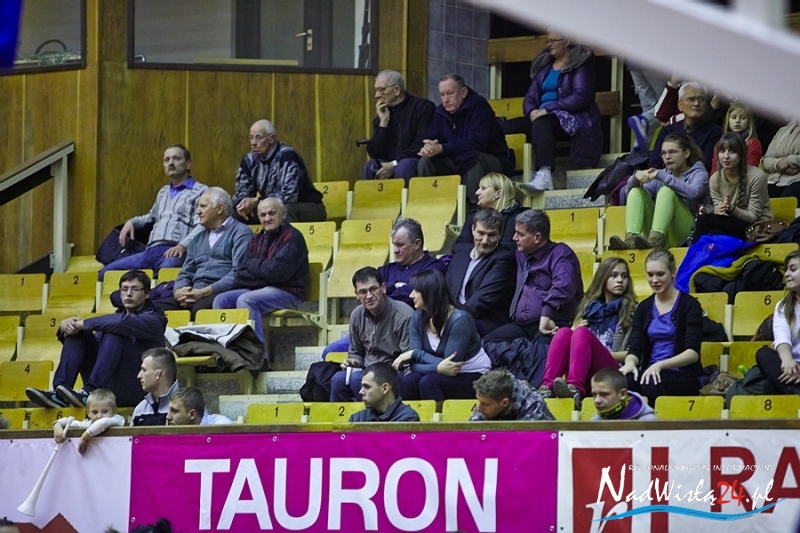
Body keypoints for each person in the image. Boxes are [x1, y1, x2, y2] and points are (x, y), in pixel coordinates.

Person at [26, 270, 167, 409]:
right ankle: (59, 393)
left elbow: (121, 323)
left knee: (113, 330)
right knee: (79, 333)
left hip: (136, 387)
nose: (128, 293)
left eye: (135, 289)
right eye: (124, 289)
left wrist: (85, 323)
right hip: (108, 384)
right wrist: (66, 328)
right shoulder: (115, 318)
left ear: (147, 294)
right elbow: (89, 350)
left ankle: (90, 391)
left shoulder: (155, 318)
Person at [321, 219, 446, 357]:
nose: (395, 250)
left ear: (417, 243)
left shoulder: (434, 268)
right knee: (328, 352)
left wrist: (388, 291)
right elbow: (374, 290)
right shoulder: (387, 269)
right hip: (372, 328)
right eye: (394, 245)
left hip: (405, 331)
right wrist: (396, 285)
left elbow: (407, 296)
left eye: (400, 245)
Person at [507, 30, 602, 192]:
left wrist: (548, 109)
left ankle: (544, 175)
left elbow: (582, 96)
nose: (549, 45)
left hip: (571, 118)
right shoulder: (544, 66)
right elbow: (530, 96)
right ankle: (499, 177)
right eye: (547, 41)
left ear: (567, 41)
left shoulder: (580, 64)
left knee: (541, 124)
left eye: (553, 41)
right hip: (542, 116)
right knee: (506, 127)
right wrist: (531, 111)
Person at [539, 258, 637, 406]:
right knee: (564, 332)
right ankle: (547, 388)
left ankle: (574, 389)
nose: (620, 280)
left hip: (614, 372)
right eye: (614, 275)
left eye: (624, 276)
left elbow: (635, 353)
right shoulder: (588, 309)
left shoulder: (632, 311)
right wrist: (573, 331)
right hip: (586, 372)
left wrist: (593, 351)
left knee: (582, 334)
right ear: (603, 277)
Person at [212, 197, 309, 348]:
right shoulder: (256, 239)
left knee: (247, 300)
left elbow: (278, 272)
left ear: (283, 214)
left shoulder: (293, 237)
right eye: (263, 215)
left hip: (289, 292)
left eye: (272, 213)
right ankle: (227, 351)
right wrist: (266, 273)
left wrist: (253, 265)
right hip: (260, 289)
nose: (267, 218)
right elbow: (241, 274)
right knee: (221, 300)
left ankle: (256, 355)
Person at [99, 145, 207, 280]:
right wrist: (131, 222)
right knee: (105, 273)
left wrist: (182, 246)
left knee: (165, 272)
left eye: (176, 158)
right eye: (167, 160)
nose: (171, 163)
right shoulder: (163, 191)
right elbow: (151, 217)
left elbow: (203, 225)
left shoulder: (201, 191)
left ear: (188, 164)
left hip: (176, 250)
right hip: (149, 251)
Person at [483, 209, 583, 343]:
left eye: (520, 234)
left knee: (541, 351)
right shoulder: (520, 253)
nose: (514, 238)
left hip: (552, 323)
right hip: (520, 325)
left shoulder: (561, 254)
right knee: (484, 346)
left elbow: (564, 286)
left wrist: (547, 313)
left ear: (537, 238)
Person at [619, 249, 704, 404]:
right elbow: (635, 348)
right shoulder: (643, 308)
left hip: (683, 374)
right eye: (650, 275)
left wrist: (660, 365)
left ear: (673, 272)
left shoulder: (690, 305)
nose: (654, 280)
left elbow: (692, 354)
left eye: (660, 274)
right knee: (622, 382)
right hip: (650, 371)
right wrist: (630, 363)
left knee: (653, 382)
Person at [393, 270, 491, 401]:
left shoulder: (460, 319)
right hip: (442, 371)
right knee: (409, 381)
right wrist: (436, 368)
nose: (411, 295)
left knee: (428, 383)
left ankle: (439, 415)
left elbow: (451, 365)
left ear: (429, 293)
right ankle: (408, 414)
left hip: (474, 374)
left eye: (416, 291)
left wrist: (415, 354)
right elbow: (414, 366)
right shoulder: (417, 316)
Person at [155, 187, 253, 319]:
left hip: (221, 292)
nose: (197, 211)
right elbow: (185, 273)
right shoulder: (197, 239)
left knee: (198, 312)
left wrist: (202, 292)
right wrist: (179, 292)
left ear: (219, 209)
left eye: (203, 206)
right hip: (194, 293)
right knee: (155, 309)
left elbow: (238, 274)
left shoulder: (241, 233)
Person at [417, 73, 512, 204]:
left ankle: (472, 207)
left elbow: (477, 142)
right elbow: (435, 139)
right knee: (426, 161)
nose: (445, 100)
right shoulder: (440, 112)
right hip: (457, 159)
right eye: (442, 95)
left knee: (473, 159)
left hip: (491, 158)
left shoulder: (479, 105)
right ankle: (427, 203)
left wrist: (442, 148)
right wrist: (429, 147)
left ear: (463, 92)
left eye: (450, 94)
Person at [610, 133, 709, 250]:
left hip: (687, 234)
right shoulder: (662, 174)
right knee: (636, 191)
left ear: (686, 153)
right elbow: (630, 194)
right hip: (658, 237)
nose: (667, 157)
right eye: (663, 153)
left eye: (672, 152)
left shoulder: (699, 173)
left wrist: (662, 176)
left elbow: (693, 193)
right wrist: (635, 177)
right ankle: (631, 239)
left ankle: (656, 239)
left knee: (666, 191)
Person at [329, 267, 414, 402]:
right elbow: (356, 352)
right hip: (366, 370)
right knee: (338, 379)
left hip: (394, 372)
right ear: (356, 294)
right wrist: (354, 361)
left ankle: (373, 413)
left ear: (383, 288)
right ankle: (344, 416)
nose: (369, 296)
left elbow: (409, 357)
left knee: (358, 380)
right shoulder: (356, 315)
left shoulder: (403, 314)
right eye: (363, 292)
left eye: (373, 289)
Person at [233, 119, 326, 223]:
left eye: (258, 137)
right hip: (269, 207)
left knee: (283, 210)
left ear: (272, 138)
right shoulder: (248, 160)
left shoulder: (288, 156)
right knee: (236, 213)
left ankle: (286, 234)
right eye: (251, 138)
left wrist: (257, 201)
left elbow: (289, 196)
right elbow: (240, 194)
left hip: (307, 206)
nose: (253, 143)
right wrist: (242, 204)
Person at [445, 208, 515, 336]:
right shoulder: (461, 253)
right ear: (473, 230)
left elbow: (482, 300)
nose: (485, 241)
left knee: (456, 327)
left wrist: (452, 317)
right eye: (481, 233)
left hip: (486, 322)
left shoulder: (504, 259)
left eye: (491, 235)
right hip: (456, 316)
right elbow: (447, 288)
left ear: (500, 234)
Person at [694, 132, 772, 241]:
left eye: (732, 151)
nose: (726, 156)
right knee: (714, 234)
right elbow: (720, 214)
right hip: (728, 225)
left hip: (755, 228)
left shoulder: (757, 176)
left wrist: (731, 209)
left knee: (704, 221)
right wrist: (718, 210)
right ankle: (697, 250)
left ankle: (693, 251)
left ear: (741, 155)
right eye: (722, 151)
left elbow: (753, 217)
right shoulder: (715, 178)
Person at [362, 69, 435, 183]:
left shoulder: (422, 107)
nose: (377, 95)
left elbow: (421, 144)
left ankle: (408, 195)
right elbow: (375, 153)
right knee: (369, 166)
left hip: (414, 161)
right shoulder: (382, 116)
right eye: (376, 90)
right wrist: (383, 123)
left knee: (404, 165)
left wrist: (394, 163)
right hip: (391, 162)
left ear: (396, 90)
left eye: (382, 90)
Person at [753, 250, 800, 395]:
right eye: (786, 270)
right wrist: (787, 361)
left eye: (793, 269)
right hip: (792, 366)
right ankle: (794, 392)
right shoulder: (783, 306)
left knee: (770, 388)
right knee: (763, 354)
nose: (786, 274)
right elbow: (782, 337)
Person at [648, 82, 722, 173]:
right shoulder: (667, 131)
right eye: (691, 99)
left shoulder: (715, 132)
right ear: (680, 106)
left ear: (706, 106)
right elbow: (654, 164)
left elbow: (706, 166)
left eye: (701, 99)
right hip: (665, 178)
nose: (696, 103)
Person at [452, 172, 525, 253]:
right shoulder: (473, 215)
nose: (477, 192)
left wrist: (480, 251)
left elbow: (507, 250)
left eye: (483, 188)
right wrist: (479, 252)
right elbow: (458, 246)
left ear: (498, 194)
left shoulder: (515, 218)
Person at [53, 389, 125, 454]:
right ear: (88, 413)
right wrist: (57, 425)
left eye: (105, 411)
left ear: (114, 411)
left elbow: (103, 423)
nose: (99, 416)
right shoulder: (88, 424)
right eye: (95, 412)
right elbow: (70, 422)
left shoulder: (118, 420)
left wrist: (84, 438)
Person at [469, 369, 554, 421]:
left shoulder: (533, 404)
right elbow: (471, 433)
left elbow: (526, 442)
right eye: (479, 401)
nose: (479, 407)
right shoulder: (487, 403)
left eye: (485, 404)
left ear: (504, 402)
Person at [349, 362, 420, 422]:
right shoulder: (356, 419)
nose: (361, 392)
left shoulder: (408, 419)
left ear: (385, 388)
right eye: (362, 386)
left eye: (367, 386)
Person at [709, 103, 762, 174]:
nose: (737, 121)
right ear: (728, 120)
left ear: (749, 122)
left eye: (743, 118)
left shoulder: (753, 143)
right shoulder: (720, 143)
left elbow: (751, 166)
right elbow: (714, 168)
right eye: (734, 117)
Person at [131, 348, 179, 426]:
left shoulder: (187, 406)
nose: (139, 376)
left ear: (158, 374)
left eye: (144, 370)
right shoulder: (140, 409)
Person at [589, 367, 656, 421]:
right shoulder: (594, 423)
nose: (597, 400)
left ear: (623, 394)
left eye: (604, 394)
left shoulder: (648, 422)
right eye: (594, 395)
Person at [627, 67, 670, 150]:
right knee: (669, 103)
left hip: (634, 65)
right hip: (657, 64)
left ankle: (638, 152)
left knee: (649, 109)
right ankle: (644, 120)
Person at [762, 120, 800, 201]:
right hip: (775, 179)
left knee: (788, 197)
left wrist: (790, 161)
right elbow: (766, 160)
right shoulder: (783, 130)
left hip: (797, 179)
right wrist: (777, 164)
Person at [166, 387, 233, 425]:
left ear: (192, 414)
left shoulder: (221, 426)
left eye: (174, 411)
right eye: (169, 410)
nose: (168, 417)